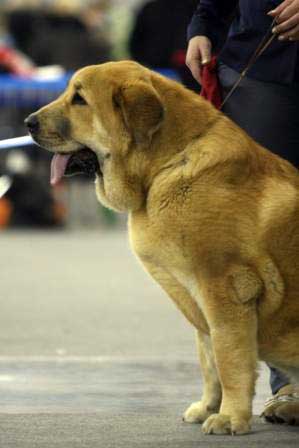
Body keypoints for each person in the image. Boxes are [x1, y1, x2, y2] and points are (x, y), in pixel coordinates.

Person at [186, 0, 299, 425]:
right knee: (264, 240)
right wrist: (203, 28)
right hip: (259, 68)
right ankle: (288, 380)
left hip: (263, 73)